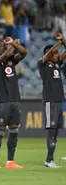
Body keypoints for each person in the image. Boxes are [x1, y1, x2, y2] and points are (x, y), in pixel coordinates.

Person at [0, 37, 27, 169]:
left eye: (3, 45)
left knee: (14, 131)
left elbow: (24, 53)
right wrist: (14, 44)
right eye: (0, 45)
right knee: (0, 131)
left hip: (15, 100)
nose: (3, 47)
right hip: (3, 100)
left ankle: (10, 161)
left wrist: (14, 45)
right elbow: (5, 55)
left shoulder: (12, 61)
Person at [38, 32, 66, 168]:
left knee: (56, 131)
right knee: (51, 130)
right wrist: (59, 43)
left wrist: (63, 40)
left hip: (59, 100)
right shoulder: (42, 64)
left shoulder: (56, 65)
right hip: (50, 101)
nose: (57, 56)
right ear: (49, 54)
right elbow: (51, 52)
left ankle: (51, 159)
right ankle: (48, 160)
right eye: (54, 54)